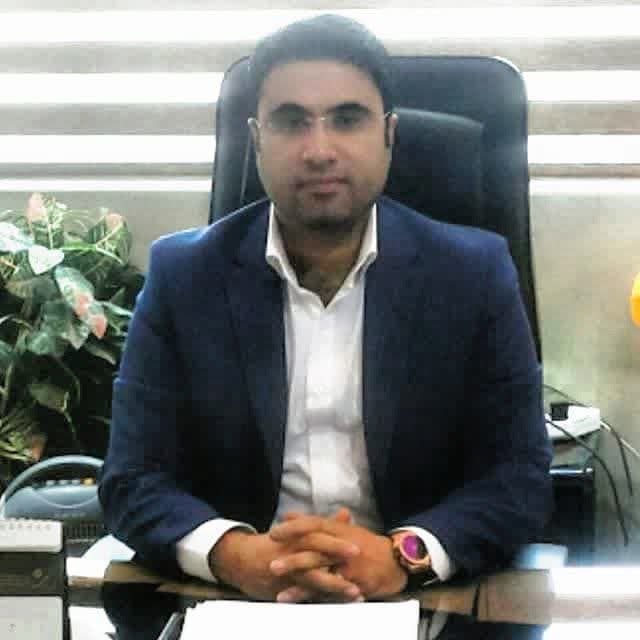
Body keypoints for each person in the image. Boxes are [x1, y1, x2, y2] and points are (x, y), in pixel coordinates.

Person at [99, 14, 553, 604]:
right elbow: (132, 478)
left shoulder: (474, 273)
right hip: (237, 603)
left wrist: (403, 555)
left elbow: (518, 480)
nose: (319, 151)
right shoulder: (183, 276)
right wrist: (235, 555)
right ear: (256, 139)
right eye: (291, 122)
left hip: (416, 599)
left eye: (347, 119)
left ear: (389, 133)